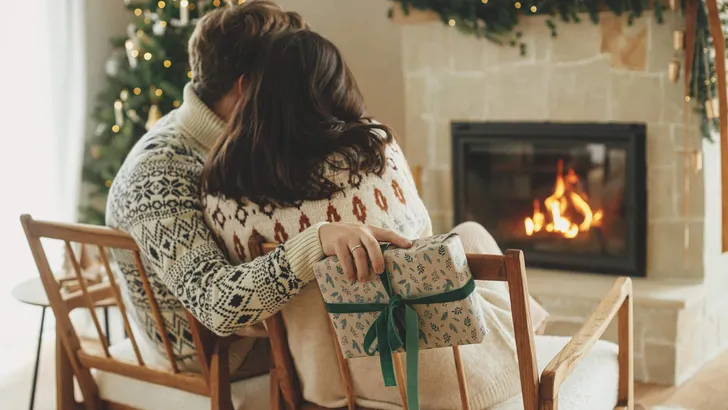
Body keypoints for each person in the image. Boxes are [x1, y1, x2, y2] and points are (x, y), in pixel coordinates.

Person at [201, 29, 549, 409]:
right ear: (334, 87)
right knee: (470, 237)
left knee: (468, 235)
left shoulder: (222, 188)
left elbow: (254, 315)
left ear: (255, 92)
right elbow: (420, 246)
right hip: (434, 377)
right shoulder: (370, 152)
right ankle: (529, 340)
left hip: (327, 383)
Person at [105, 1, 412, 378]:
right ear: (249, 87)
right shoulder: (158, 173)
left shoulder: (243, 146)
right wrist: (316, 241)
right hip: (215, 353)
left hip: (260, 329)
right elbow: (216, 304)